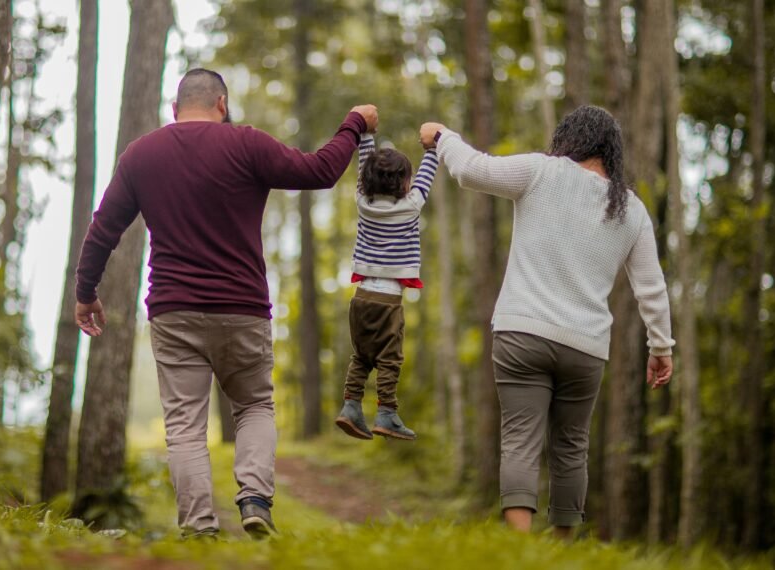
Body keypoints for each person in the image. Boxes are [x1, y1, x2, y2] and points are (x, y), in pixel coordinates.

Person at [74, 68, 378, 539]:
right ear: (222, 103)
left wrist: (85, 292)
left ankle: (198, 528)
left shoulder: (142, 154)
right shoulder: (246, 143)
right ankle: (255, 499)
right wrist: (354, 124)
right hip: (242, 307)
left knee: (184, 426)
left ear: (175, 110)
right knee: (255, 404)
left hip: (173, 311)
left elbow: (104, 229)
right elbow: (320, 171)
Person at [419, 106, 675, 539]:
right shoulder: (631, 209)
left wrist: (443, 135)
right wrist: (661, 348)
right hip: (586, 347)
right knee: (572, 449)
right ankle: (560, 550)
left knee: (521, 439)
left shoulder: (541, 171)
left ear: (568, 139)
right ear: (611, 152)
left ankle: (520, 549)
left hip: (522, 334)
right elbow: (651, 287)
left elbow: (471, 170)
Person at [334, 130, 439, 441]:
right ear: (404, 183)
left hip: (361, 297)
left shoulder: (362, 203)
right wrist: (432, 147)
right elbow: (427, 173)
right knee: (389, 359)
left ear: (367, 181)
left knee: (361, 356)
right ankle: (386, 413)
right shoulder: (411, 205)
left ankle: (351, 405)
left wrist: (366, 134)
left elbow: (363, 163)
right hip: (389, 300)